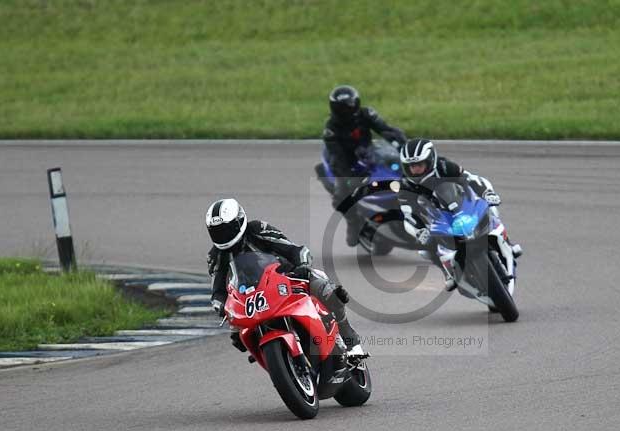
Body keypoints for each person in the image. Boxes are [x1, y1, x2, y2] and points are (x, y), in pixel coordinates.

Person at [205, 198, 366, 364]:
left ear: (239, 221)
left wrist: (302, 266)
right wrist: (221, 306)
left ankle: (351, 342)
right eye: (217, 231)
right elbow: (217, 290)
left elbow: (293, 249)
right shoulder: (215, 255)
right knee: (237, 335)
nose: (223, 235)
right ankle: (273, 357)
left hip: (285, 278)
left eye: (227, 229)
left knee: (327, 290)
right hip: (250, 298)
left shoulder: (257, 229)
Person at [396, 138, 522, 291]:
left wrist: (487, 193)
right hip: (435, 219)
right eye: (410, 167)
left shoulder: (444, 166)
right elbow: (408, 214)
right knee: (425, 248)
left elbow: (472, 179)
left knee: (491, 209)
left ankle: (508, 244)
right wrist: (419, 230)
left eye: (419, 165)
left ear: (430, 160)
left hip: (460, 205)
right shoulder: (405, 186)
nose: (415, 170)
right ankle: (448, 273)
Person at [323, 85, 406, 246]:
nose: (349, 110)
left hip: (368, 152)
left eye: (352, 105)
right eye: (344, 108)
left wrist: (402, 144)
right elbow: (338, 158)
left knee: (399, 167)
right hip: (346, 163)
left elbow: (386, 130)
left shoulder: (366, 114)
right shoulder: (331, 129)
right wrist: (350, 175)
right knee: (341, 196)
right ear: (336, 109)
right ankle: (353, 223)